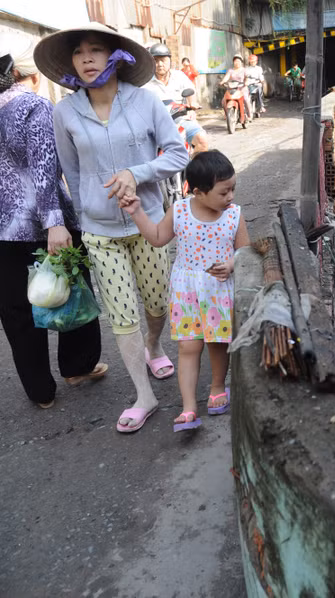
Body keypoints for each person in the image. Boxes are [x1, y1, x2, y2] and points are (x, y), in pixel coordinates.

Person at [35, 22, 190, 433]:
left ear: (115, 56)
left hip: (150, 222)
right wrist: (74, 223)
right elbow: (68, 170)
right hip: (100, 232)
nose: (86, 58)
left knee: (156, 304)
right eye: (78, 52)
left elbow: (178, 154)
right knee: (122, 316)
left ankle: (154, 345)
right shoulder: (64, 111)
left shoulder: (145, 102)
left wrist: (136, 172)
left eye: (96, 49)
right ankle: (144, 395)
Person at [0, 38, 107, 409]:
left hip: (2, 232)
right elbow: (46, 168)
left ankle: (40, 391)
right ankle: (77, 367)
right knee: (71, 291)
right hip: (41, 222)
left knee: (15, 309)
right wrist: (54, 223)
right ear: (30, 74)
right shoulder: (34, 106)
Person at [118, 150, 249, 431]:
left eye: (233, 190)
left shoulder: (234, 215)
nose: (231, 197)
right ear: (199, 192)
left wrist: (230, 264)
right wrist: (137, 212)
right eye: (224, 192)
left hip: (218, 290)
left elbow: (245, 252)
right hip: (186, 292)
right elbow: (155, 238)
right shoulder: (178, 211)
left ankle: (216, 387)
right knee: (188, 347)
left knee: (217, 343)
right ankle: (188, 406)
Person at [219, 54, 250, 123]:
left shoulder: (244, 70)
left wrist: (246, 82)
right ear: (233, 62)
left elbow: (247, 78)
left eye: (238, 61)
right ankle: (227, 114)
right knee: (223, 100)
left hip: (242, 88)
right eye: (235, 61)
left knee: (246, 99)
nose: (237, 63)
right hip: (232, 88)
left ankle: (248, 115)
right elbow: (226, 77)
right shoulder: (230, 70)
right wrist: (222, 81)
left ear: (241, 62)